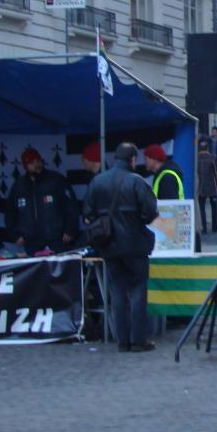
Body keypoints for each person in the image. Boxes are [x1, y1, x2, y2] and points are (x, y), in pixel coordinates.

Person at [83, 143, 157, 352]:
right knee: (138, 290)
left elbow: (88, 214)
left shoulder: (97, 181)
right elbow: (150, 213)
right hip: (135, 245)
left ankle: (122, 340)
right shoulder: (137, 181)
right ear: (132, 160)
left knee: (117, 291)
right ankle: (138, 340)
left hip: (109, 245)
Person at [5, 147, 79, 255]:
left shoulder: (56, 179)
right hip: (30, 243)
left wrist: (70, 230)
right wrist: (15, 235)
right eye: (32, 163)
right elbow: (10, 212)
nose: (37, 165)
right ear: (25, 166)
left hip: (57, 241)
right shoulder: (19, 185)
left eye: (38, 161)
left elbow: (71, 206)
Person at [196, 137, 217, 235]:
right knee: (214, 206)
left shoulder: (196, 158)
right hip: (211, 185)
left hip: (200, 185)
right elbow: (216, 172)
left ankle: (203, 227)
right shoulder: (212, 157)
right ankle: (215, 226)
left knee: (201, 207)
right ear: (208, 147)